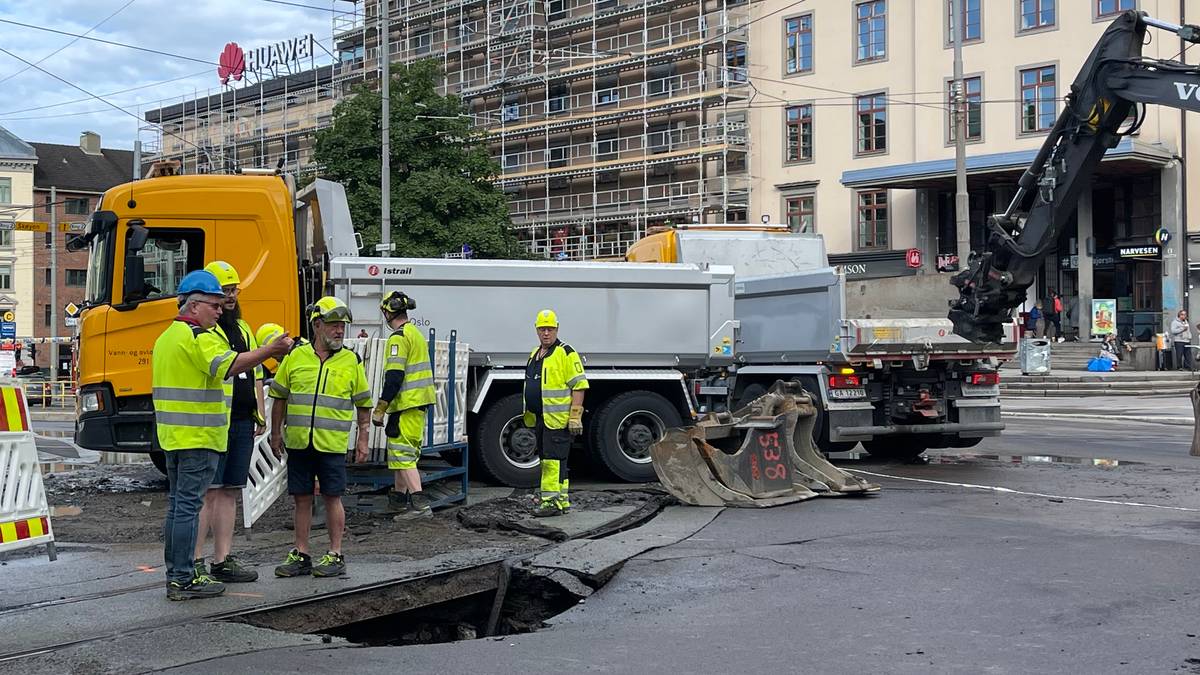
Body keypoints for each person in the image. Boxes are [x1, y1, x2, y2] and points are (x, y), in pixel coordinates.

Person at [153, 270, 291, 600]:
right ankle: (184, 577)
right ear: (195, 305)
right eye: (214, 304)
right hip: (198, 437)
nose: (220, 310)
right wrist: (269, 350)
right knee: (188, 506)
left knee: (178, 507)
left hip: (174, 436)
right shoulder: (198, 337)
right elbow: (228, 366)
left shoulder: (167, 337)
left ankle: (177, 574)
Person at [270, 296, 372, 578]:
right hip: (300, 442)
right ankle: (301, 554)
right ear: (317, 325)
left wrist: (363, 439)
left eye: (342, 326)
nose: (340, 331)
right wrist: (275, 434)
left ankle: (335, 554)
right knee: (301, 498)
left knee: (332, 497)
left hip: (331, 444)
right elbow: (279, 397)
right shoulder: (295, 357)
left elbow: (364, 403)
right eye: (334, 325)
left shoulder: (351, 361)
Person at [192, 261, 264, 585]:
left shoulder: (244, 328)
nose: (231, 296)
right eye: (226, 291)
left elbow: (257, 373)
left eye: (235, 290)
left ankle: (222, 559)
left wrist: (259, 412)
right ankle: (196, 561)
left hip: (242, 421)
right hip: (218, 419)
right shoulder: (208, 331)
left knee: (231, 491)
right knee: (209, 492)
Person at [372, 291, 437, 520]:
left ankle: (420, 507)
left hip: (406, 404)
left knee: (404, 455)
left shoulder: (399, 338)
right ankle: (398, 501)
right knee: (401, 453)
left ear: (388, 312)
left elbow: (394, 377)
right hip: (417, 404)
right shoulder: (414, 333)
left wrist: (381, 407)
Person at [523, 309, 588, 518]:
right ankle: (562, 500)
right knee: (552, 460)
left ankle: (549, 501)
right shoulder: (535, 354)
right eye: (542, 329)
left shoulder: (566, 352)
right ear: (536, 330)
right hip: (541, 417)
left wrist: (575, 416)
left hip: (557, 419)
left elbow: (579, 385)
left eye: (550, 329)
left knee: (552, 460)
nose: (546, 333)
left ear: (557, 329)